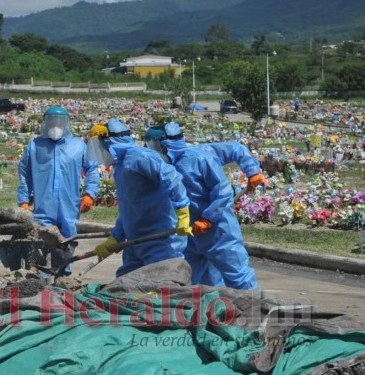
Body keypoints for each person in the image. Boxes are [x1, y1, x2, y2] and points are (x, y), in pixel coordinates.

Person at [157, 122, 264, 290]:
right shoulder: (165, 166)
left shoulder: (201, 155)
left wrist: (253, 171)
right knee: (196, 280)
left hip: (218, 230)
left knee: (237, 275)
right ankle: (209, 312)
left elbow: (222, 191)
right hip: (191, 232)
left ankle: (255, 310)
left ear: (165, 145)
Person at [86, 119, 192, 277]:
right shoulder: (120, 166)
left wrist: (182, 211)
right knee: (125, 286)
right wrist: (116, 237)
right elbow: (130, 207)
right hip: (136, 241)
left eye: (101, 146)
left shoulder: (139, 157)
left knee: (160, 288)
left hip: (160, 240)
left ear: (110, 143)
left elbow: (172, 177)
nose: (101, 152)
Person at [17, 106, 99, 274]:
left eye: (59, 122)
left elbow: (92, 168)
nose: (55, 126)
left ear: (66, 124)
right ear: (45, 124)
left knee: (67, 242)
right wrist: (24, 200)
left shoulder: (78, 146)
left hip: (69, 206)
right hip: (42, 207)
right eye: (51, 122)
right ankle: (43, 277)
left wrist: (90, 193)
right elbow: (24, 173)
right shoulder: (34, 146)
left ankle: (63, 275)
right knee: (42, 242)